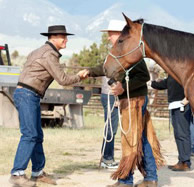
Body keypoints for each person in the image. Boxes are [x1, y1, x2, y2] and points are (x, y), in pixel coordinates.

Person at [82, 20, 165, 187]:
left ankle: (126, 180)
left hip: (135, 100)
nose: (108, 38)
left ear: (119, 34)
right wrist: (90, 71)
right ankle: (150, 178)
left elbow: (144, 77)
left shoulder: (132, 52)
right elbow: (106, 68)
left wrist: (123, 87)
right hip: (130, 100)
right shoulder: (119, 53)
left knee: (131, 140)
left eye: (110, 34)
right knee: (141, 139)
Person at [9, 25, 87, 187]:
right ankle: (17, 174)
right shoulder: (49, 54)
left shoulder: (39, 51)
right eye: (63, 37)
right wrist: (79, 76)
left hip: (29, 94)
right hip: (28, 95)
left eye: (66, 36)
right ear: (53, 38)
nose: (66, 39)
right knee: (30, 134)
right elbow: (63, 80)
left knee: (36, 135)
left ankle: (37, 173)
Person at [99, 20, 126, 169]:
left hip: (111, 93)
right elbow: (110, 74)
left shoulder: (117, 52)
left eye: (111, 34)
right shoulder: (115, 53)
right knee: (111, 127)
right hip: (111, 94)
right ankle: (107, 159)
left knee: (111, 127)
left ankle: (107, 157)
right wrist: (116, 92)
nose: (109, 37)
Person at [151, 75, 192, 171]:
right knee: (178, 134)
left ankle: (186, 162)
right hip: (174, 105)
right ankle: (181, 160)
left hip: (182, 104)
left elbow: (193, 84)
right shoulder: (172, 73)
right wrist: (152, 83)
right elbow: (166, 83)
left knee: (183, 133)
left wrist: (187, 99)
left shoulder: (183, 69)